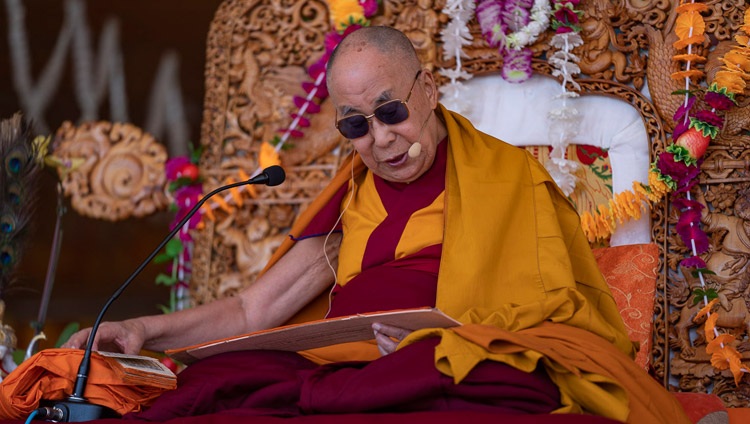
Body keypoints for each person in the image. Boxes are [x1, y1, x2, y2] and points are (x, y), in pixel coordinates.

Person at [61, 26, 688, 423]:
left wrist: (447, 339)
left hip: (441, 361)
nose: (382, 140)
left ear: (430, 89)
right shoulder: (352, 195)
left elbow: (557, 318)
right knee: (209, 389)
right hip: (341, 364)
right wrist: (143, 327)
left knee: (481, 378)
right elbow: (255, 312)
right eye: (356, 125)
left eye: (391, 112)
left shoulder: (509, 181)